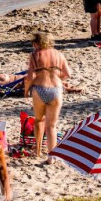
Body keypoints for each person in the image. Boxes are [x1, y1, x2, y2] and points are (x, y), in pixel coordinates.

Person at [24, 31, 70, 161]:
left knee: (39, 120)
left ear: (36, 43)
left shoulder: (35, 55)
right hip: (56, 90)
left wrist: (26, 91)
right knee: (52, 126)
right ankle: (51, 157)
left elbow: (30, 77)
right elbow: (68, 73)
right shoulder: (59, 54)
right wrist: (58, 78)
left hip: (39, 89)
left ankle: (38, 151)